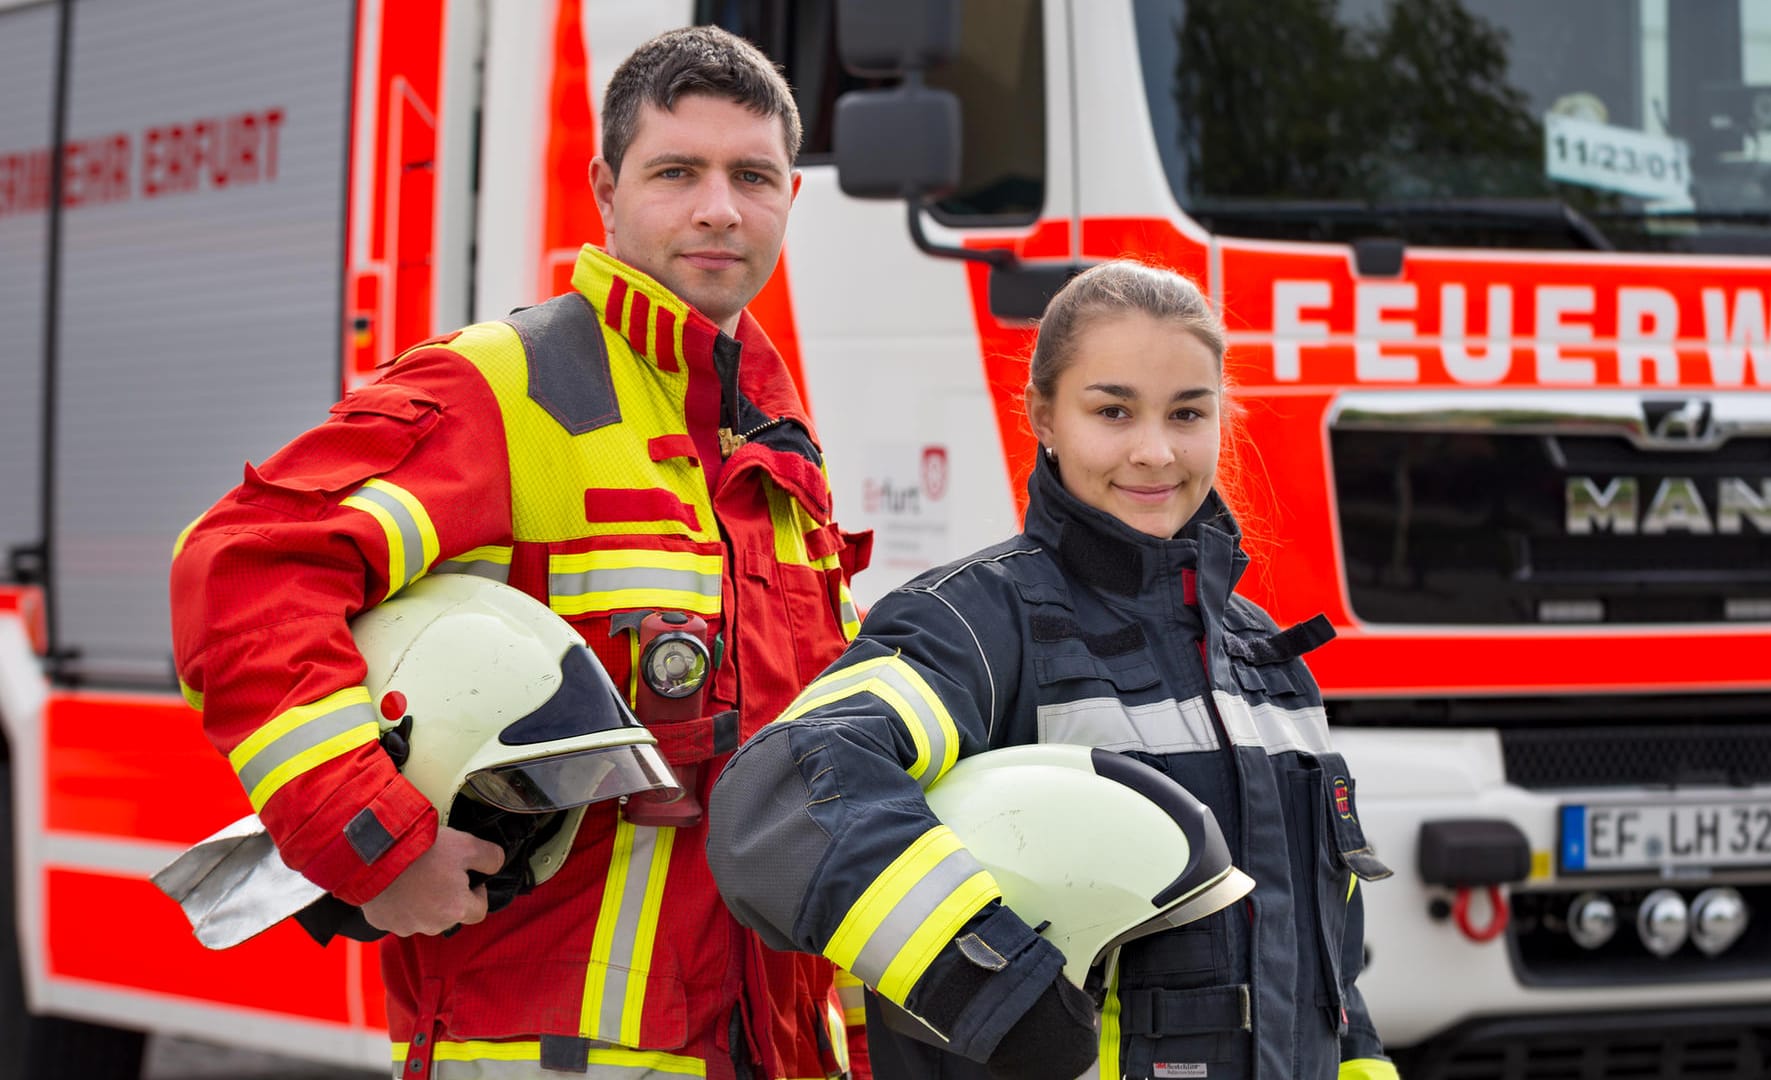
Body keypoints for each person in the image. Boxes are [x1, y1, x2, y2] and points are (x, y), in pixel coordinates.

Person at [170, 26, 871, 1080]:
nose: (719, 208)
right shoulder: (507, 387)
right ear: (605, 186)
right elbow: (243, 567)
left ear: (788, 200)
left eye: (751, 176)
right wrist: (378, 847)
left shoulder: (770, 442)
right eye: (677, 171)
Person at [706, 260, 1400, 1080]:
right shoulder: (975, 625)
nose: (1155, 451)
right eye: (1113, 411)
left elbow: (1334, 991)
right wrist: (990, 985)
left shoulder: (1271, 665)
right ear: (1043, 415)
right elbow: (782, 794)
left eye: (1188, 413)